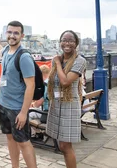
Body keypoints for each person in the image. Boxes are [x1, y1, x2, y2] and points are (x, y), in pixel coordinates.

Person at [0, 21, 37, 168]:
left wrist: (23, 112)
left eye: (16, 33)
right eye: (9, 32)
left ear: (22, 35)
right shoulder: (7, 50)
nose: (12, 36)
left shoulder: (24, 56)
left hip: (16, 108)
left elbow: (30, 86)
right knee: (10, 138)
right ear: (6, 33)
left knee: (24, 142)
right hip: (2, 104)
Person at [46, 30, 86, 168]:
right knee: (61, 145)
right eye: (64, 40)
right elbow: (52, 81)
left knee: (66, 146)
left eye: (70, 41)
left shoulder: (80, 61)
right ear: (60, 42)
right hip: (57, 105)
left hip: (69, 106)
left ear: (76, 44)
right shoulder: (60, 59)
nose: (67, 43)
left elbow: (65, 82)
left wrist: (57, 63)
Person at [29, 64, 50, 140]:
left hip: (47, 114)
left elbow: (38, 104)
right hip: (56, 112)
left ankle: (36, 134)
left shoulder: (46, 84)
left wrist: (33, 104)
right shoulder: (53, 81)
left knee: (28, 113)